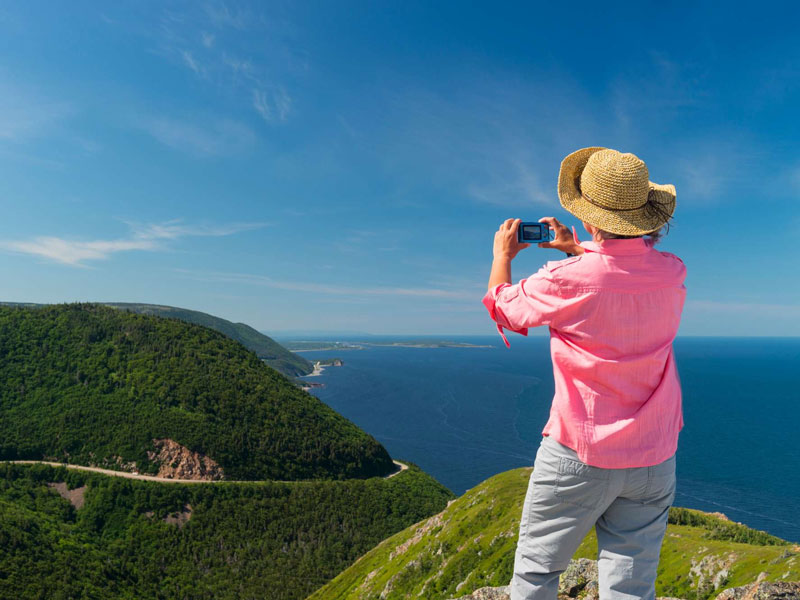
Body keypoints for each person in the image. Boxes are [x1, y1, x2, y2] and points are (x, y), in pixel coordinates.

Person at [482, 147, 686, 600]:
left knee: (537, 574)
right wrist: (578, 248)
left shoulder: (564, 278)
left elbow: (504, 307)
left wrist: (503, 254)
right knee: (631, 585)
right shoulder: (673, 274)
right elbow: (618, 273)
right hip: (654, 455)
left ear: (589, 218)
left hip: (579, 453)